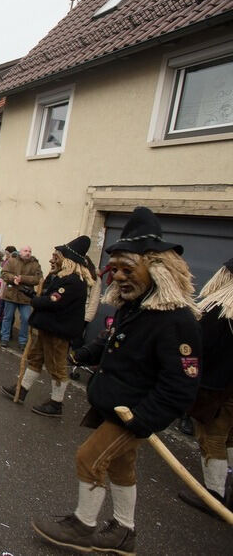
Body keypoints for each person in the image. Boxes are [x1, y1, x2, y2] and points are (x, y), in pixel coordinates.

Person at [31, 207, 201, 554]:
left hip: (133, 412)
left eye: (128, 269)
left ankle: (83, 525)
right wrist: (84, 353)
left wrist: (143, 420)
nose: (120, 277)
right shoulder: (135, 306)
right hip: (115, 404)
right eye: (117, 269)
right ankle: (124, 532)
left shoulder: (177, 320)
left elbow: (181, 384)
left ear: (157, 269)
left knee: (89, 458)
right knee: (121, 467)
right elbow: (115, 342)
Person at [0, 236, 94, 416]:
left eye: (56, 257)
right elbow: (47, 296)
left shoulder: (74, 281)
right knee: (35, 359)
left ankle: (56, 403)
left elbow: (53, 302)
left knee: (56, 367)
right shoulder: (59, 277)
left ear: (68, 261)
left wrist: (35, 299)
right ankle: (21, 390)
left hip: (58, 332)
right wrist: (34, 294)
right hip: (47, 327)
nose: (52, 260)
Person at [179, 257, 233, 515]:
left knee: (211, 436)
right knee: (230, 438)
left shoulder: (219, 308)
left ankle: (214, 495)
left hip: (216, 386)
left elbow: (200, 347)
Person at [0, 244, 43, 348]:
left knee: (26, 318)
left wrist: (22, 278)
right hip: (11, 293)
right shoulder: (12, 261)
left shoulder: (35, 264)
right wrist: (13, 278)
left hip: (26, 296)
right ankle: (4, 338)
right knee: (7, 317)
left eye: (29, 251)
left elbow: (38, 279)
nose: (28, 253)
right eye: (26, 251)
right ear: (20, 252)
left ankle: (23, 341)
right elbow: (4, 273)